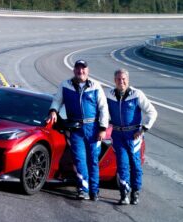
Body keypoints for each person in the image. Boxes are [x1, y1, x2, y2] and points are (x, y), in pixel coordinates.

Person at [47, 60, 109, 201]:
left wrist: (103, 128)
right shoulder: (65, 85)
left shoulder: (95, 86)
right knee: (79, 160)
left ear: (87, 70)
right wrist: (53, 111)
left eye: (83, 69)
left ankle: (94, 190)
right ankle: (83, 189)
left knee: (92, 160)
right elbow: (57, 100)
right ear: (74, 70)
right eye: (78, 69)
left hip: (93, 129)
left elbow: (103, 108)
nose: (81, 71)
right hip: (75, 129)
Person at [106, 68, 157, 205]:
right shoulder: (109, 94)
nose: (121, 82)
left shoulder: (137, 94)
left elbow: (152, 112)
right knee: (122, 164)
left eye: (123, 79)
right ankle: (124, 194)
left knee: (135, 164)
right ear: (114, 80)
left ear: (128, 80)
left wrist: (144, 129)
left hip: (133, 135)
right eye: (118, 79)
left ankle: (136, 191)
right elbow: (101, 109)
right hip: (117, 134)